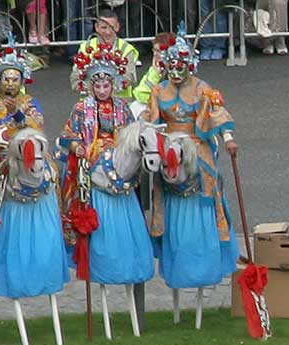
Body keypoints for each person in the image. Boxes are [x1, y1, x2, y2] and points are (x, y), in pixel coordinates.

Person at [145, 26, 240, 296]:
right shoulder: (158, 91)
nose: (175, 72)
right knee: (163, 185)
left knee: (209, 184)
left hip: (197, 146)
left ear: (190, 65)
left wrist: (229, 137)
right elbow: (153, 121)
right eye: (170, 66)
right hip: (169, 150)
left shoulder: (202, 88)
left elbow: (217, 112)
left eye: (180, 66)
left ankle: (206, 257)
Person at [58, 44, 155, 294]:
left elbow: (134, 136)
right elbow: (67, 134)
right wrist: (77, 145)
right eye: (97, 86)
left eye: (106, 85)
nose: (102, 90)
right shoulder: (82, 108)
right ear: (90, 86)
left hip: (120, 163)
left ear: (114, 85)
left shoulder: (123, 108)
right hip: (93, 160)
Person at [0, 36, 45, 135]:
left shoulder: (30, 103)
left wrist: (16, 113)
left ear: (22, 81)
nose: (10, 84)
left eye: (15, 80)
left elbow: (37, 126)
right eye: (6, 79)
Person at [70, 9, 139, 96]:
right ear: (96, 27)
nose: (108, 32)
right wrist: (92, 90)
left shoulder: (126, 48)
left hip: (120, 102)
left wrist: (107, 90)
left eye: (112, 27)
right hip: (90, 104)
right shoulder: (86, 47)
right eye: (104, 27)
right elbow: (75, 77)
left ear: (117, 27)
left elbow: (129, 77)